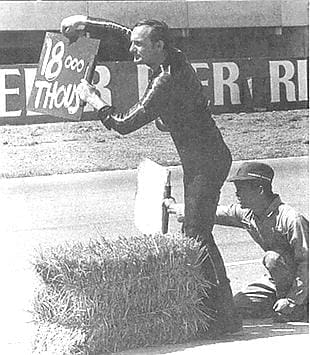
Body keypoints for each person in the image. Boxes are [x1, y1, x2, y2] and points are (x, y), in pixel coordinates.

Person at [60, 15, 241, 334]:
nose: (132, 49)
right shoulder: (171, 53)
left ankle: (223, 316)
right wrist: (84, 22)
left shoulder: (166, 80)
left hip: (206, 162)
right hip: (203, 158)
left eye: (139, 45)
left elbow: (123, 124)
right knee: (198, 234)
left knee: (197, 236)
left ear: (159, 46)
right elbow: (125, 32)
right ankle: (218, 310)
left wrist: (94, 99)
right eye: (133, 44)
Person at [166, 161, 309, 322]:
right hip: (278, 279)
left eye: (241, 189)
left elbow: (306, 263)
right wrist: (173, 207)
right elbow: (210, 212)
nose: (237, 194)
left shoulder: (292, 219)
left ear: (260, 190)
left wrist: (291, 300)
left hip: (304, 280)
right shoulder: (247, 214)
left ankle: (295, 308)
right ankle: (281, 304)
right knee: (237, 306)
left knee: (272, 258)